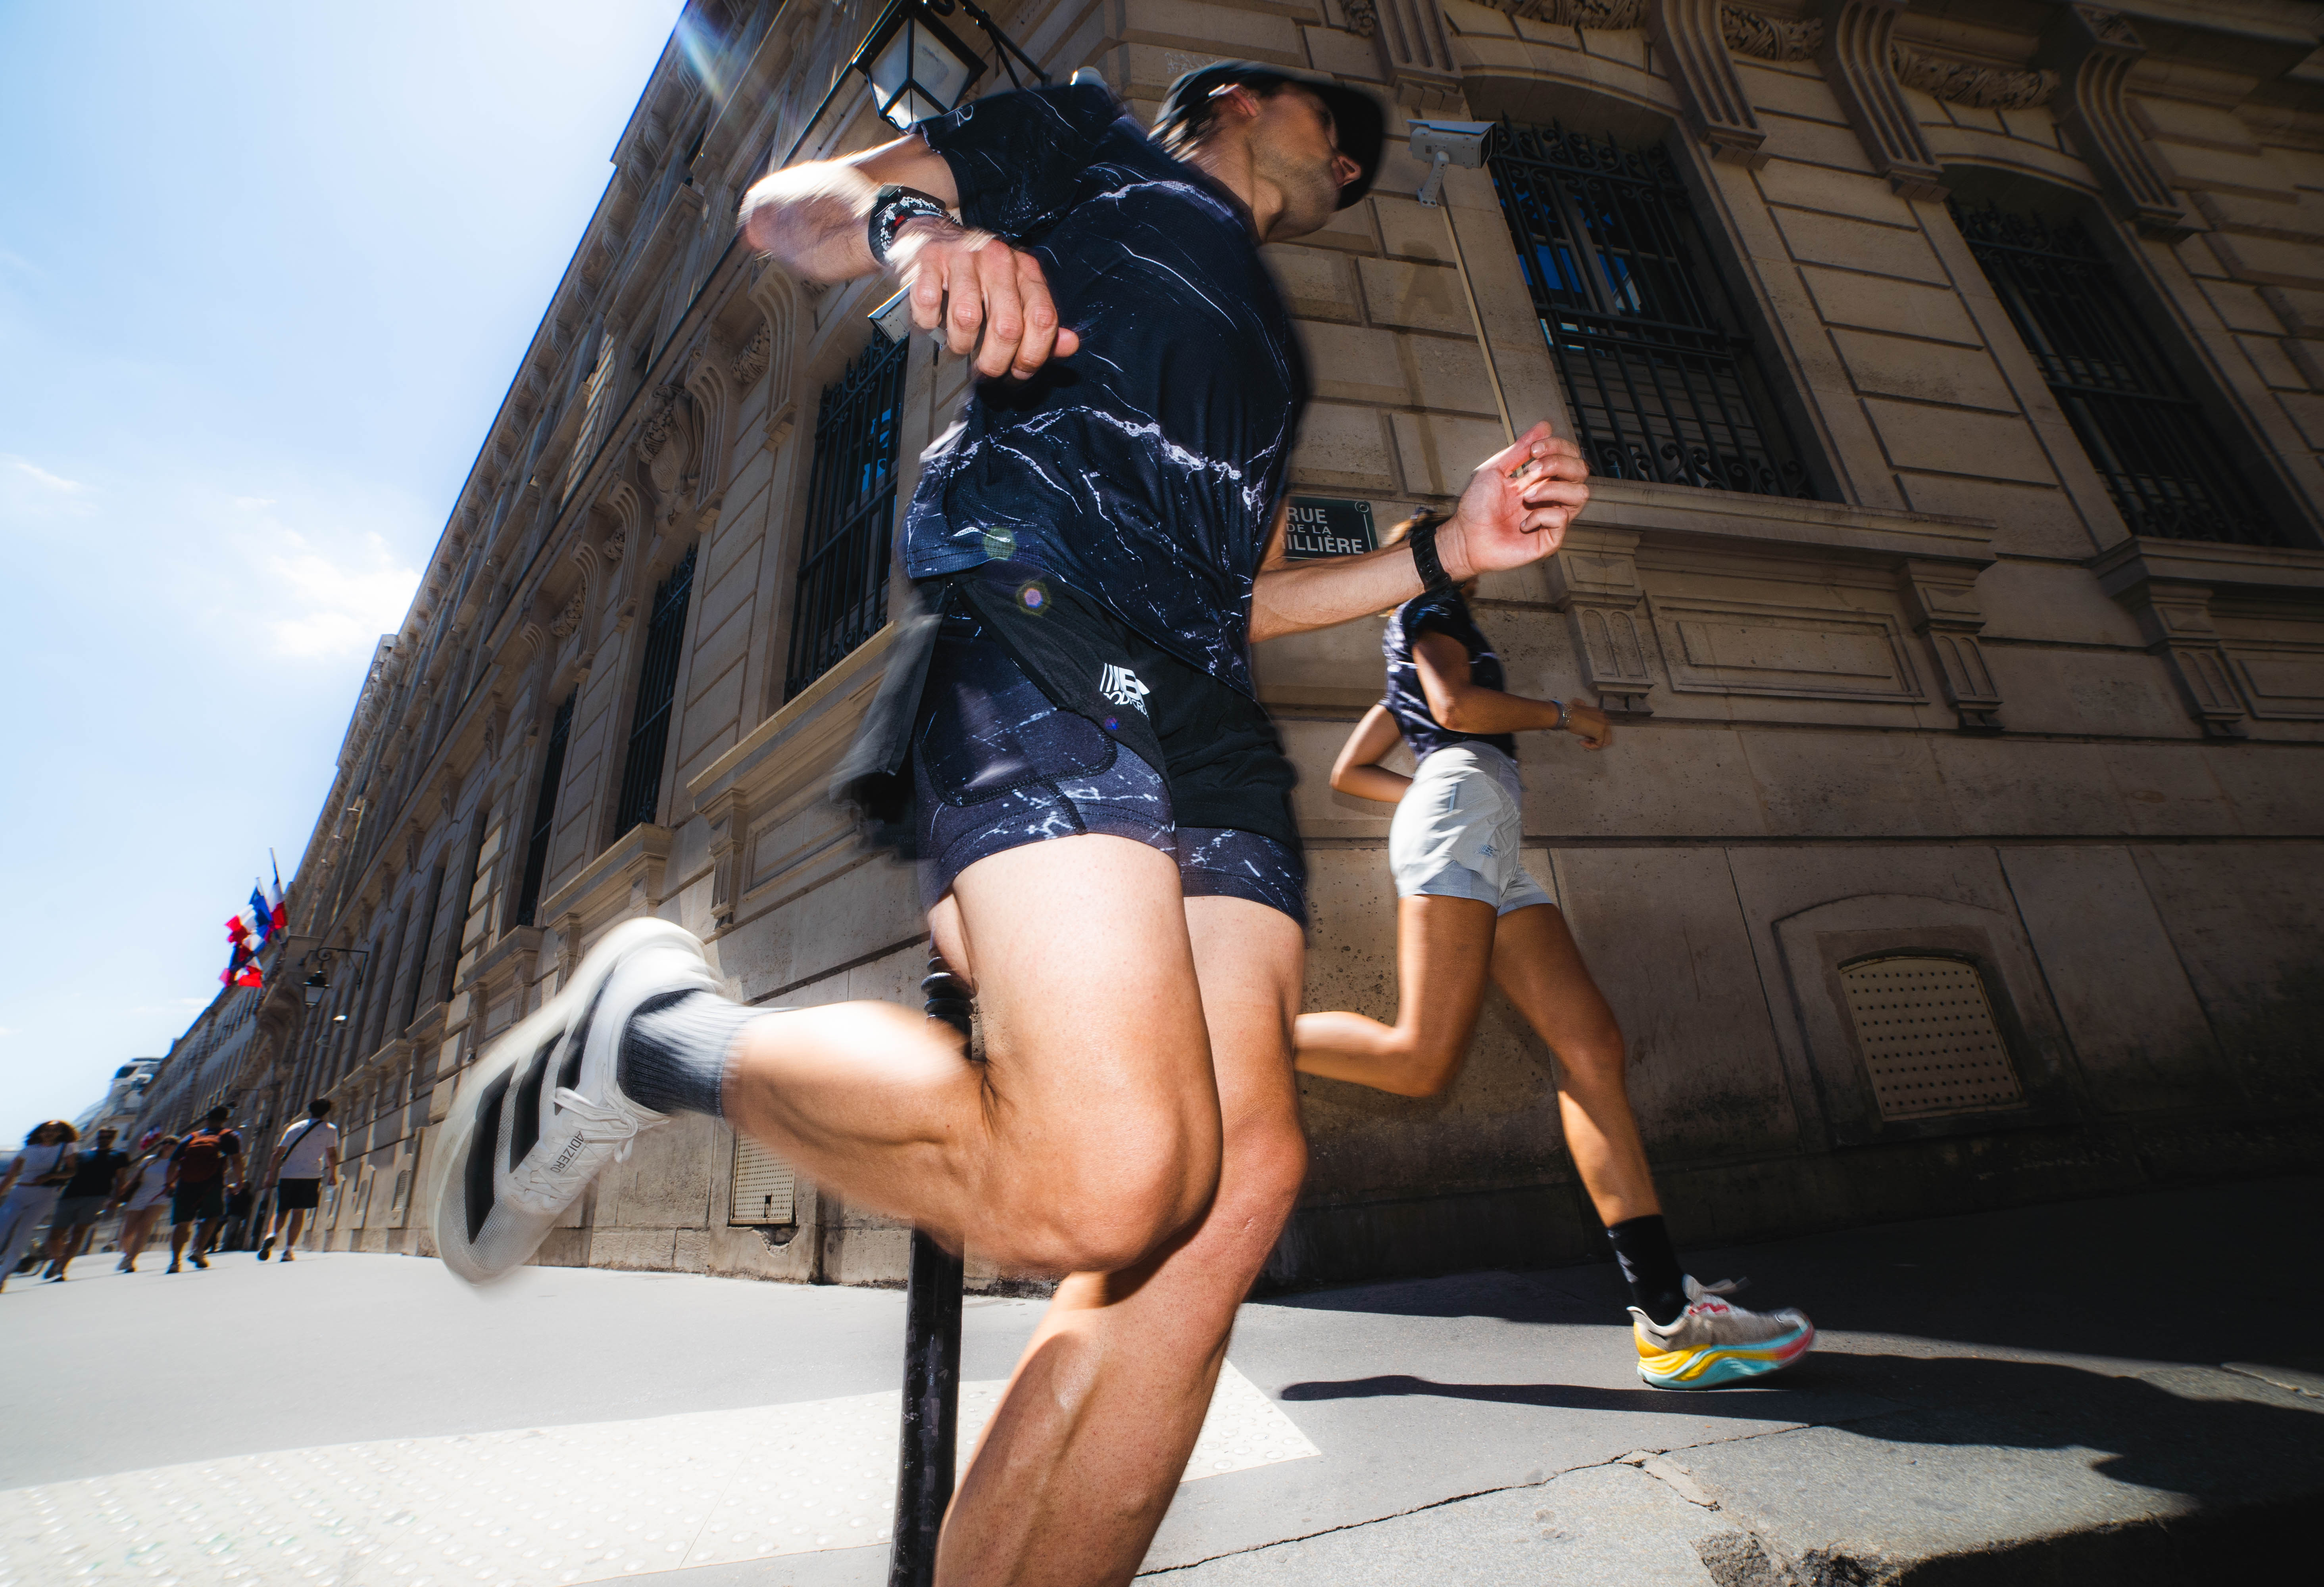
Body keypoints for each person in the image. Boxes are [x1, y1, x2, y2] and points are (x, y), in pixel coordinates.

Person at [430, 63, 1590, 1583]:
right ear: (1241, 100)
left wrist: (1443, 552)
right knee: (1113, 1173)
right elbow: (790, 210)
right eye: (1337, 128)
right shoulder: (1091, 144)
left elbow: (1241, 590)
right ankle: (653, 1039)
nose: (1354, 162)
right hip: (1043, 617)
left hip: (1203, 717)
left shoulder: (1261, 334)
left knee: (1232, 1194)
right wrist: (919, 232)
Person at [1292, 551, 1814, 1387]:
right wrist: (1564, 715)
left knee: (1593, 1048)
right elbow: (1457, 708)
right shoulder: (1432, 612)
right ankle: (1228, 1034)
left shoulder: (1415, 649)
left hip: (1481, 830)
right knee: (1420, 1058)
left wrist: (1435, 791)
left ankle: (1669, 1319)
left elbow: (1350, 772)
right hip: (1467, 820)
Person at [40, 1126, 127, 1283]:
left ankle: (63, 1269)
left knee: (79, 1233)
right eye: (101, 1136)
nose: (103, 1139)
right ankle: (57, 1260)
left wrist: (117, 1199)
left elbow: (121, 1179)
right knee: (55, 1235)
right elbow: (67, 1173)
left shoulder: (119, 1155)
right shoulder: (82, 1154)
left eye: (107, 1137)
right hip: (69, 1196)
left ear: (113, 1138)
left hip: (96, 1198)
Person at [0, 1120, 79, 1291]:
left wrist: (51, 1176)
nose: (49, 1133)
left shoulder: (67, 1148)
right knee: (2, 1229)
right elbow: (10, 1176)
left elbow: (72, 1171)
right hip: (19, 1193)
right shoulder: (28, 1150)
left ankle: (2, 1277)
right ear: (39, 1133)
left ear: (61, 1133)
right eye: (46, 1130)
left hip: (44, 1196)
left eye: (55, 1130)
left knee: (22, 1235)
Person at [258, 1099, 339, 1262]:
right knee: (299, 1212)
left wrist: (270, 1176)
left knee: (281, 1210)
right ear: (327, 1112)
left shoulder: (295, 1127)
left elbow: (277, 1154)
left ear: (309, 1110)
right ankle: (288, 1251)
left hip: (288, 1174)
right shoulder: (330, 1129)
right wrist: (333, 1174)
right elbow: (331, 1155)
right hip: (311, 1175)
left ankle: (272, 1234)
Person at [164, 1107, 244, 1274]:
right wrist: (240, 1181)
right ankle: (199, 1251)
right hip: (212, 1184)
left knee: (183, 1223)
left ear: (207, 1120)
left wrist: (169, 1184)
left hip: (186, 1184)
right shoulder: (229, 1136)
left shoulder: (191, 1137)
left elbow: (173, 1163)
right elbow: (236, 1161)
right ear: (225, 1120)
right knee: (212, 1217)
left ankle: (175, 1263)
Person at [115, 1132, 175, 1273]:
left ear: (177, 1147)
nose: (167, 1145)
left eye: (172, 1143)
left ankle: (132, 1260)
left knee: (145, 1225)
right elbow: (135, 1179)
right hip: (141, 1195)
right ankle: (128, 1256)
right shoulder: (149, 1160)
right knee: (128, 1232)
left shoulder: (177, 1163)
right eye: (165, 1142)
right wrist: (121, 1194)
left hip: (161, 1196)